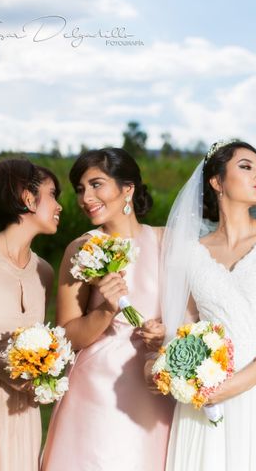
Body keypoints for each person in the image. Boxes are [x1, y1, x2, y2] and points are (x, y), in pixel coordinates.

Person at [161, 140, 256, 470]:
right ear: (216, 181)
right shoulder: (190, 252)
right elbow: (185, 330)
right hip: (208, 398)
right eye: (246, 166)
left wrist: (237, 385)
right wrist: (179, 371)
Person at [41, 148, 174, 471]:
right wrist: (105, 312)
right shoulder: (81, 248)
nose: (86, 197)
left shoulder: (166, 242)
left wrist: (167, 332)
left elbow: (192, 314)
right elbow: (67, 335)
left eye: (96, 184)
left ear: (127, 188)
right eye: (80, 189)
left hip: (155, 384)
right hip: (98, 390)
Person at [0, 159, 61, 471]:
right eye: (53, 194)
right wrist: (2, 369)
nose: (60, 206)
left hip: (21, 417)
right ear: (28, 197)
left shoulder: (44, 271)